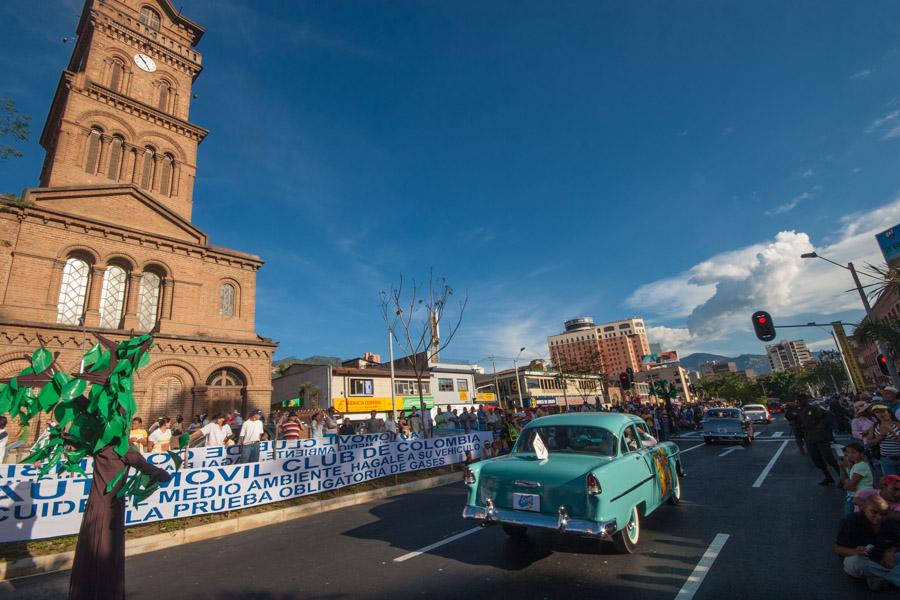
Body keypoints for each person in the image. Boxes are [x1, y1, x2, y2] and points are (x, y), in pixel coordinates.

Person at [68, 445, 171, 599]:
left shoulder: (99, 445)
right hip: (111, 508)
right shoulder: (125, 449)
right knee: (107, 551)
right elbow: (147, 467)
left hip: (94, 506)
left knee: (90, 549)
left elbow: (74, 439)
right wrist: (166, 475)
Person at [835, 495, 900, 590]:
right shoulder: (850, 521)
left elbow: (898, 542)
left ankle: (881, 579)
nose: (879, 517)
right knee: (854, 562)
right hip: (863, 561)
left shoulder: (889, 522)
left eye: (883, 514)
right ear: (864, 508)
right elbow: (838, 548)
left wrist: (890, 551)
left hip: (882, 559)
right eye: (874, 512)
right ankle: (892, 577)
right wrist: (855, 551)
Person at [799, 395, 841, 485]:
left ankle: (842, 477)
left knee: (829, 458)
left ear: (806, 400)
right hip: (809, 437)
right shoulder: (800, 411)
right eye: (799, 400)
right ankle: (828, 477)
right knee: (816, 459)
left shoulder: (813, 409)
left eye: (802, 400)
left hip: (819, 436)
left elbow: (829, 415)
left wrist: (821, 425)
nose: (800, 402)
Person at [867, 404, 900, 477]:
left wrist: (892, 432)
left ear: (889, 412)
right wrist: (880, 437)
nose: (881, 414)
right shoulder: (875, 426)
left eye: (883, 411)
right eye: (877, 412)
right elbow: (869, 442)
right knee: (891, 484)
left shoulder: (898, 424)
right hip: (886, 460)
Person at [841, 442, 875, 515]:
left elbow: (850, 486)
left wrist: (847, 483)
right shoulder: (855, 465)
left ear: (862, 454)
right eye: (848, 453)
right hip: (855, 496)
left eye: (853, 452)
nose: (850, 455)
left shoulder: (860, 466)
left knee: (851, 519)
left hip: (859, 497)